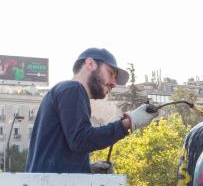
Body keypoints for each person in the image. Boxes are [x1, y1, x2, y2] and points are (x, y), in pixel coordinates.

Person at [26, 48, 154, 174]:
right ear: (90, 64)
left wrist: (85, 170)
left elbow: (66, 148)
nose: (114, 83)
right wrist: (128, 123)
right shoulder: (73, 89)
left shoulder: (63, 91)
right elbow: (80, 140)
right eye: (110, 73)